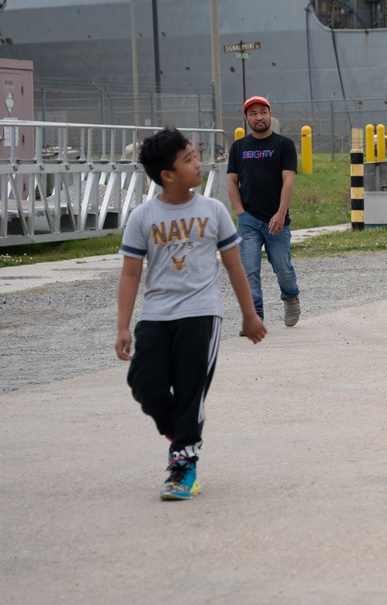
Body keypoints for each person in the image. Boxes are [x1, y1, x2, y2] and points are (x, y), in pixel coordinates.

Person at [116, 127, 267, 500]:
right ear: (167, 175)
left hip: (202, 315)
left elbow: (234, 266)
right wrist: (123, 326)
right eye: (188, 160)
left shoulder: (213, 211)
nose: (198, 164)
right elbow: (131, 273)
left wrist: (249, 316)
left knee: (189, 392)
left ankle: (183, 468)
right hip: (156, 315)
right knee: (144, 383)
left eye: (195, 156)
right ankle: (181, 431)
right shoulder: (143, 217)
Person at [227, 96, 302, 331]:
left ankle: (290, 298)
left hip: (276, 219)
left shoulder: (284, 145)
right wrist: (240, 212)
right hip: (248, 220)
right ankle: (254, 316)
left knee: (283, 268)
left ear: (270, 114)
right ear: (246, 118)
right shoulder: (239, 147)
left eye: (263, 112)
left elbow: (288, 180)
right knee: (248, 270)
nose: (258, 117)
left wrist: (280, 214)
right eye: (253, 113)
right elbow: (231, 182)